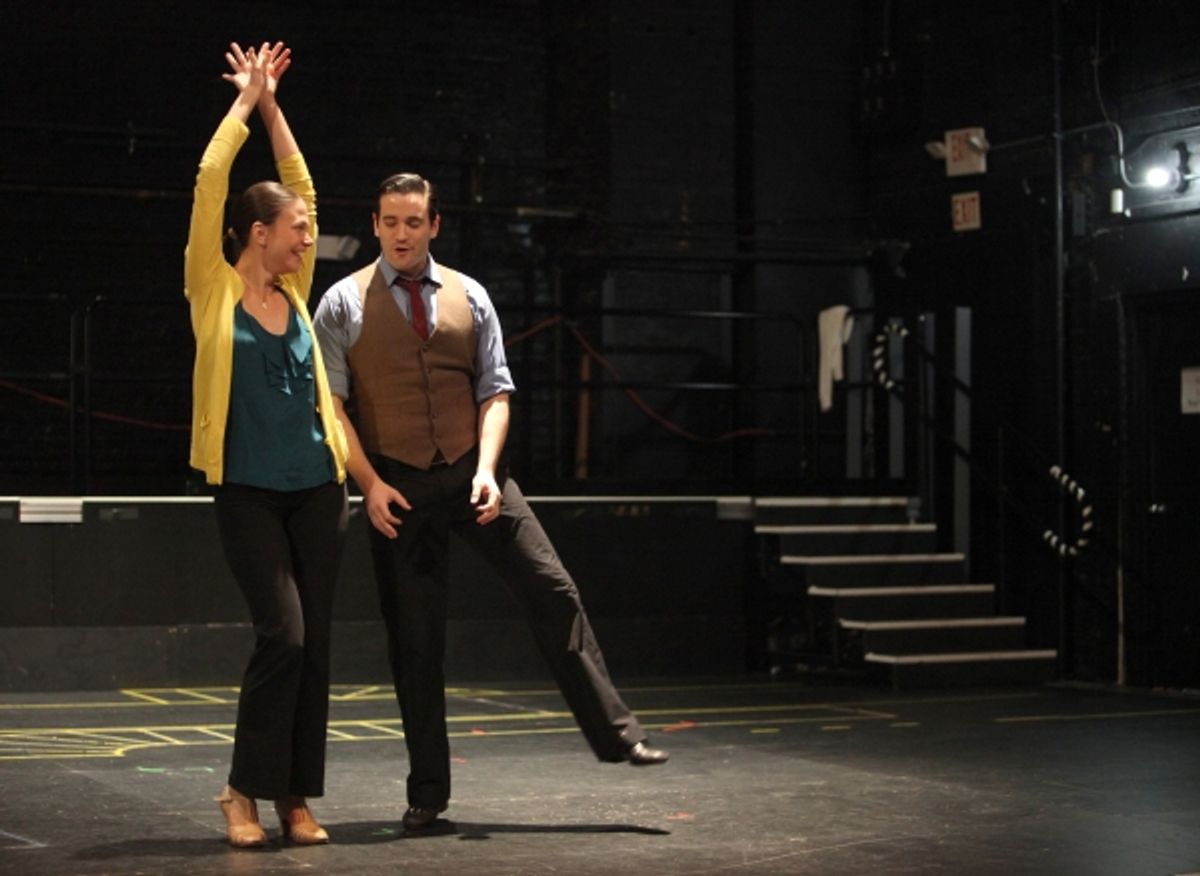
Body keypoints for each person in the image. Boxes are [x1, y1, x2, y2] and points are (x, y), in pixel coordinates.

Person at [312, 172, 668, 833]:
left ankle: (618, 733)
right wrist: (369, 483)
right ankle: (428, 793)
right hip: (398, 486)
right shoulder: (341, 303)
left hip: (475, 478)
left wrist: (485, 469)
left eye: (413, 222)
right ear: (375, 224)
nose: (401, 233)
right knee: (416, 644)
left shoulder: (470, 297)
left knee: (554, 589)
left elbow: (495, 393)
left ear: (434, 226)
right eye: (390, 221)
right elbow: (331, 408)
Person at [184, 41, 350, 848]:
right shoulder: (211, 288)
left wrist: (280, 106)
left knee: (313, 645)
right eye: (295, 230)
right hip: (248, 488)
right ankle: (242, 792)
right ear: (257, 234)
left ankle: (295, 798)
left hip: (319, 488)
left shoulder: (298, 288)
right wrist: (246, 104)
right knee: (280, 634)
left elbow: (306, 183)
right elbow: (211, 181)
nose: (305, 239)